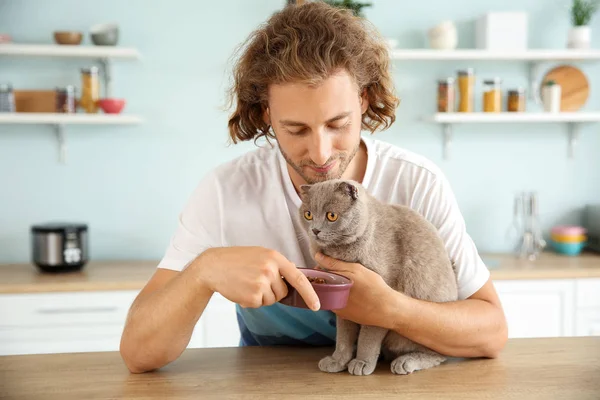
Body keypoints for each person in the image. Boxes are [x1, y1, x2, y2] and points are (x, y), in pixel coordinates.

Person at [119, 2, 508, 374]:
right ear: (266, 114)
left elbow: (491, 333)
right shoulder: (225, 192)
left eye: (337, 124)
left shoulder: (416, 182)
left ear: (364, 99)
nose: (321, 153)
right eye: (296, 129)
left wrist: (391, 309)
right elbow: (138, 353)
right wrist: (203, 272)